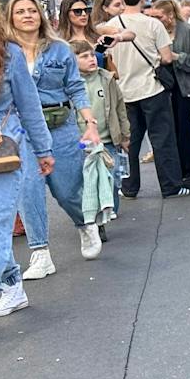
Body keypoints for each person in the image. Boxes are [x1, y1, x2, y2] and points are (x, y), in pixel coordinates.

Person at [5, 0, 99, 281]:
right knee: (28, 189)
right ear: (10, 18)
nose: (27, 16)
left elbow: (75, 87)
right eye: (20, 12)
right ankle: (40, 253)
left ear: (41, 15)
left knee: (67, 190)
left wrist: (90, 122)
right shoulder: (4, 52)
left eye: (32, 10)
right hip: (21, 130)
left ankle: (85, 224)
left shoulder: (60, 50)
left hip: (60, 126)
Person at [0, 0, 55, 328]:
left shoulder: (7, 53)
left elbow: (29, 105)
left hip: (1, 147)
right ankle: (11, 285)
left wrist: (43, 149)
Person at [104, 0, 189, 199]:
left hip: (124, 90)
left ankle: (129, 186)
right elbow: (167, 57)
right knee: (162, 138)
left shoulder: (112, 24)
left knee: (129, 141)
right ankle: (170, 186)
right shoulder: (153, 24)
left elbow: (108, 58)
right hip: (152, 87)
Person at [152, 0, 190, 189]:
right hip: (169, 87)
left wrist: (177, 57)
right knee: (178, 129)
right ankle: (185, 171)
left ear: (169, 15)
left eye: (159, 16)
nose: (156, 20)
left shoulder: (189, 31)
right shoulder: (155, 33)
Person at [72, 39, 124, 234]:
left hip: (107, 140)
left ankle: (108, 210)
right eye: (84, 57)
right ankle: (95, 222)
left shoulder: (106, 78)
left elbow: (119, 107)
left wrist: (124, 135)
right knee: (88, 183)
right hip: (82, 142)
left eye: (92, 55)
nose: (91, 59)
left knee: (112, 177)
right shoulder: (72, 84)